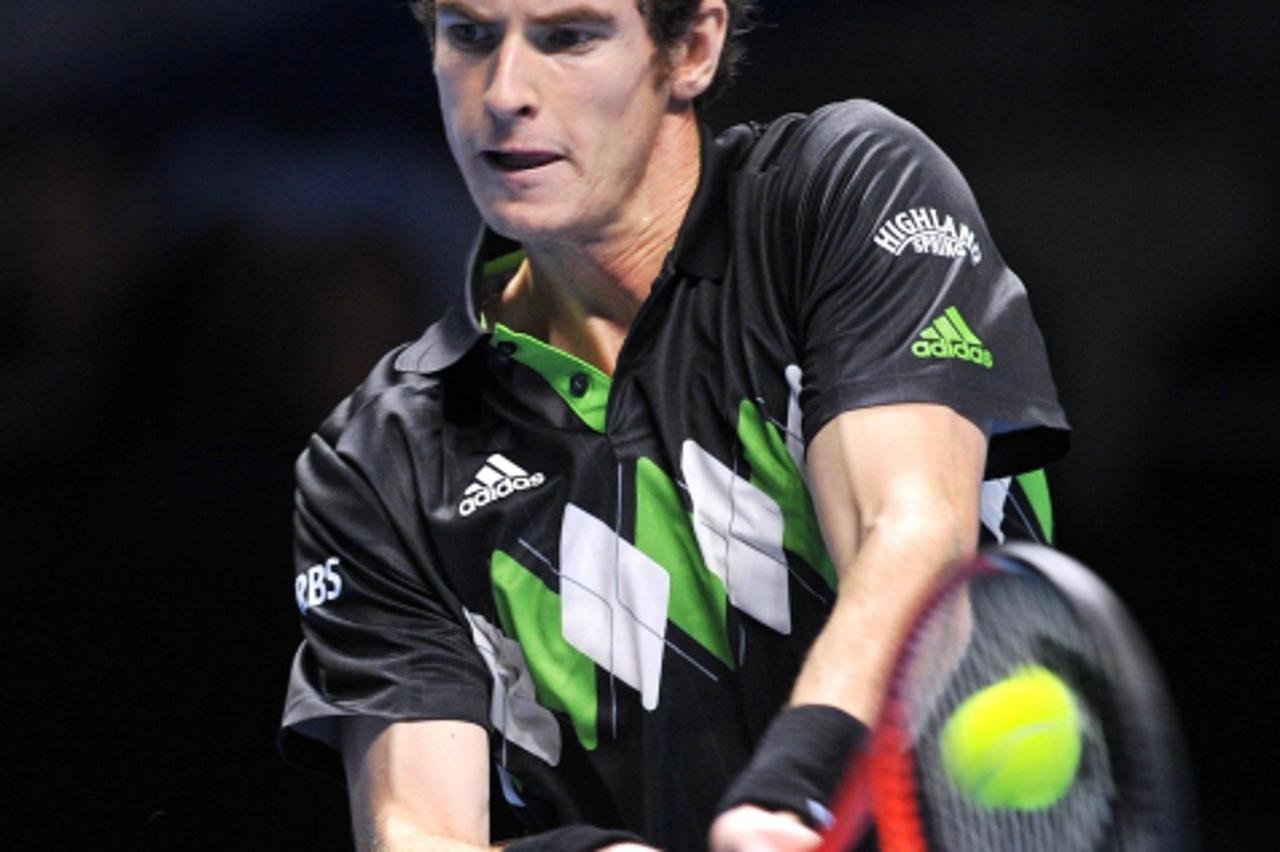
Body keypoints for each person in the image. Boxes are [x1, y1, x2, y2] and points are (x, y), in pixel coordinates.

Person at [279, 0, 1069, 849]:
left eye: (569, 36)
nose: (505, 91)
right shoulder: (379, 461)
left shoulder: (839, 196)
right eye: (471, 35)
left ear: (690, 48)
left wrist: (793, 790)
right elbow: (415, 834)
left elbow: (914, 539)